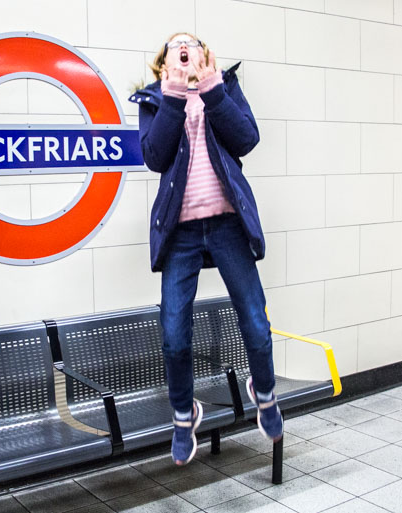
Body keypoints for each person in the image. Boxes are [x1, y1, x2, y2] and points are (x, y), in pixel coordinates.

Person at [129, 33, 283, 466]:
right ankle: (184, 413)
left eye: (191, 45)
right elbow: (155, 156)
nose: (184, 51)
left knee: (254, 318)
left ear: (206, 55)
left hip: (227, 226)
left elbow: (246, 139)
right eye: (175, 49)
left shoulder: (225, 87)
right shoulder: (154, 100)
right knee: (174, 334)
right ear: (162, 65)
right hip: (180, 232)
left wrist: (212, 88)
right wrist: (175, 95)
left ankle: (264, 393)